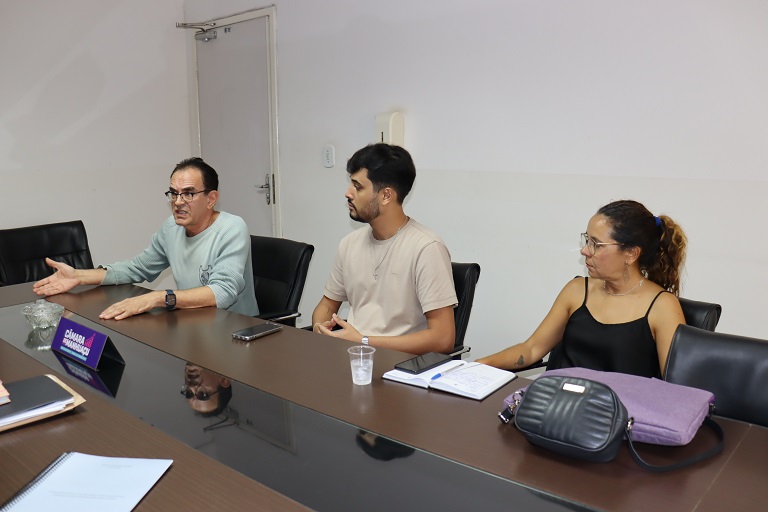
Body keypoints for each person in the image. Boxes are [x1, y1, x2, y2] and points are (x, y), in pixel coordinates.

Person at [477, 199, 687, 378]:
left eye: (596, 244)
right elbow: (531, 349)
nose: (585, 250)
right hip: (558, 403)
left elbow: (675, 390)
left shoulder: (662, 307)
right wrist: (477, 366)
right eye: (587, 240)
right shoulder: (577, 290)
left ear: (631, 254)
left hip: (616, 411)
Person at [32, 157, 259, 319]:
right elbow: (138, 268)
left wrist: (159, 298)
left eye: (189, 193)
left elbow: (223, 292)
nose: (178, 202)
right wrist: (79, 276)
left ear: (211, 199)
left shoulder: (231, 228)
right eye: (173, 193)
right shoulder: (172, 227)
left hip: (235, 330)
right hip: (194, 322)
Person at [312, 143, 457, 355]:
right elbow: (326, 305)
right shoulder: (349, 243)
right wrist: (320, 328)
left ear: (386, 195)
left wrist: (364, 341)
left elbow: (443, 339)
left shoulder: (426, 248)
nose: (348, 193)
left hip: (400, 364)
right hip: (354, 356)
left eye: (358, 187)